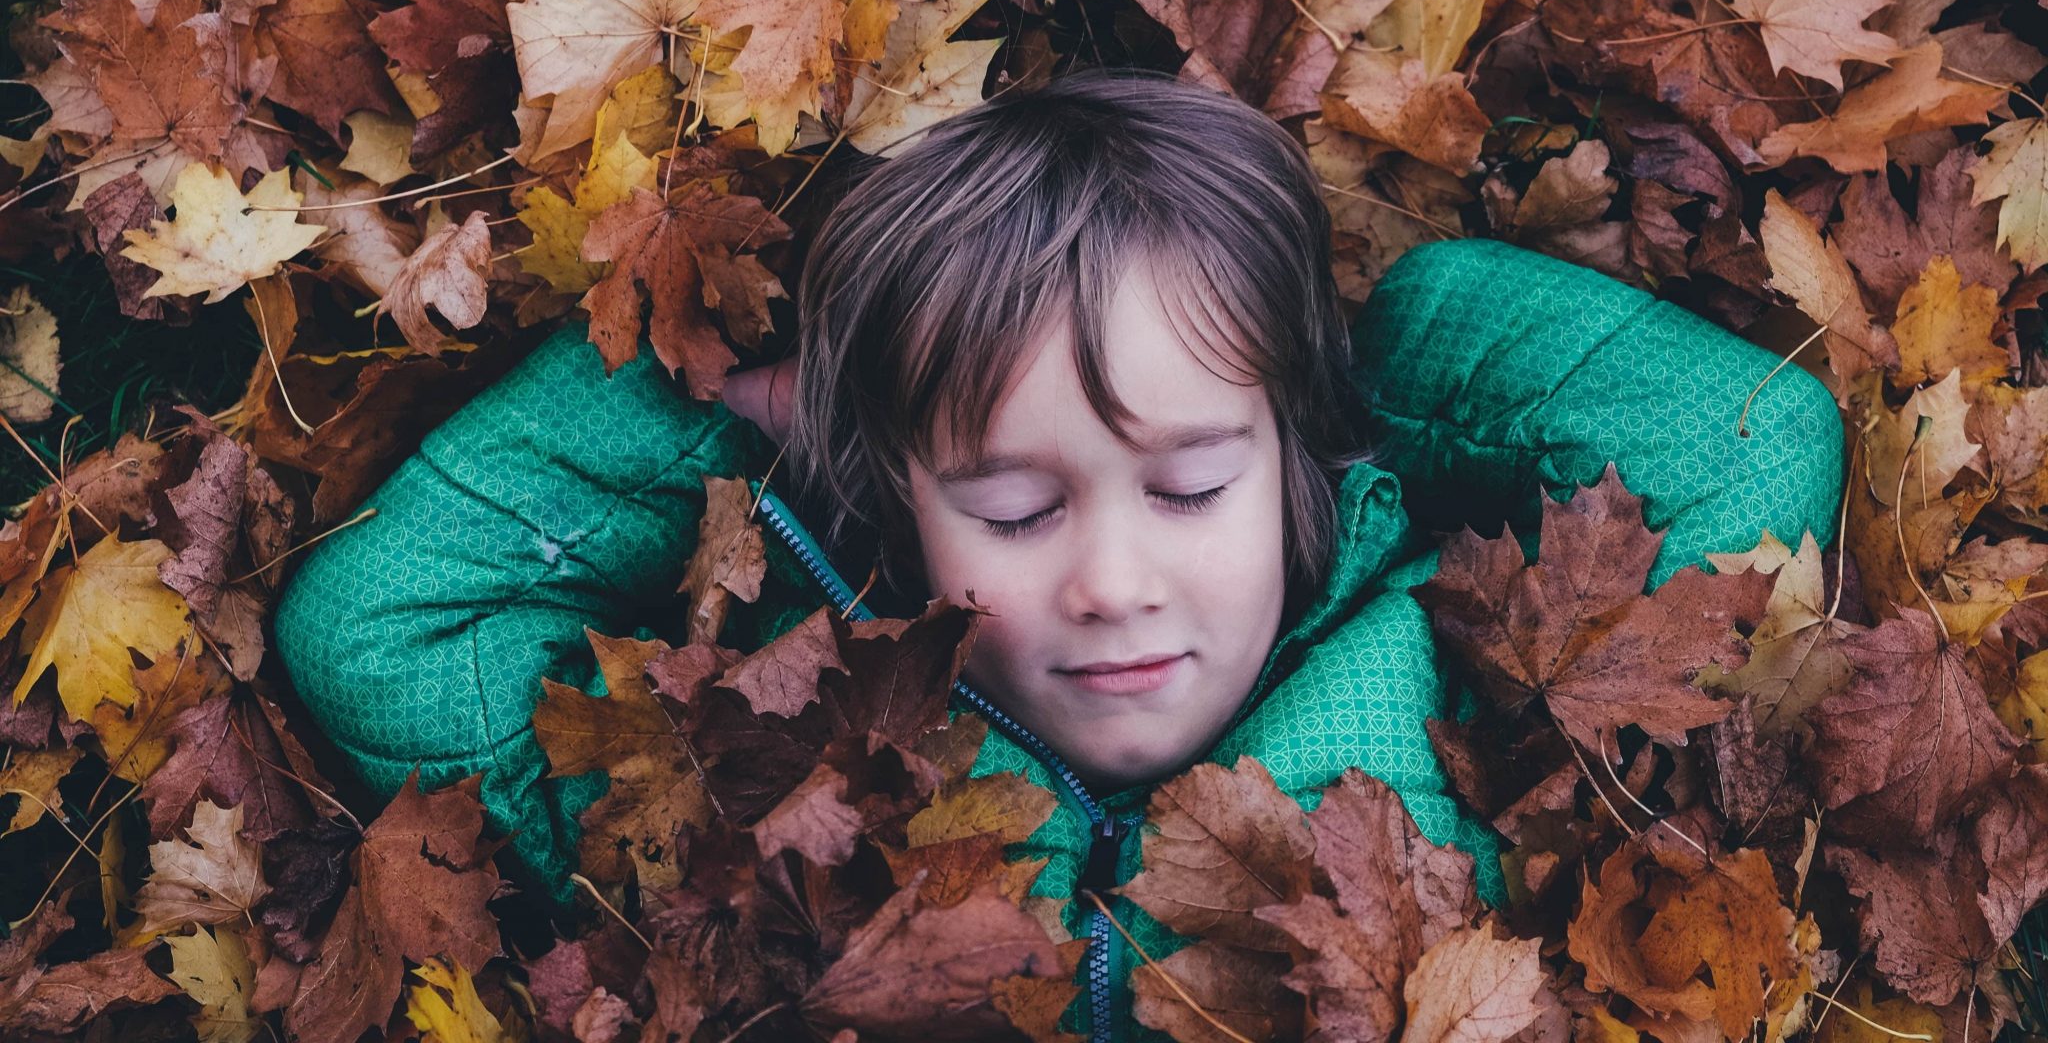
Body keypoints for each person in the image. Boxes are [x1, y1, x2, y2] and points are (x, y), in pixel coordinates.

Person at [272, 67, 1845, 1041]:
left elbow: (1750, 445)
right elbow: (382, 626)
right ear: (899, 510)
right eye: (1016, 512)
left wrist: (1375, 352)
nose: (1109, 579)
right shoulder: (775, 796)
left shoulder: (1472, 689)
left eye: (1188, 485)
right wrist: (751, 412)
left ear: (1290, 461)